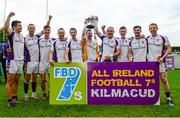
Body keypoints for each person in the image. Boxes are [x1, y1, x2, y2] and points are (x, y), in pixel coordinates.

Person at [24, 15, 52, 102]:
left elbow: (46, 29)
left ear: (35, 29)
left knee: (35, 78)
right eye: (30, 28)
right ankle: (25, 95)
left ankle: (34, 94)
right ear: (28, 29)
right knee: (27, 79)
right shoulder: (25, 38)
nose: (32, 29)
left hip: (37, 62)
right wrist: (9, 50)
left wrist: (49, 20)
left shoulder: (37, 37)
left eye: (33, 28)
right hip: (29, 62)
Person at [147, 23, 174, 107]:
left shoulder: (163, 37)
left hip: (160, 62)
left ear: (157, 28)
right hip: (150, 64)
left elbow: (169, 48)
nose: (152, 29)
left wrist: (163, 57)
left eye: (154, 28)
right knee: (150, 82)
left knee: (164, 80)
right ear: (149, 29)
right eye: (151, 28)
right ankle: (152, 98)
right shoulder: (147, 38)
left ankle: (169, 98)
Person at [4, 12, 24, 107]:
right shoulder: (12, 34)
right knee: (10, 81)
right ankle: (9, 100)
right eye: (19, 25)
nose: (21, 27)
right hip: (12, 61)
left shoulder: (22, 36)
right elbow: (6, 28)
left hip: (20, 61)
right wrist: (9, 16)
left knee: (16, 81)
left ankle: (14, 97)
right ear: (14, 27)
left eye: (21, 25)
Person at [39, 25, 55, 99]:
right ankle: (43, 93)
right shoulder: (39, 40)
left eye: (48, 30)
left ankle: (51, 92)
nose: (47, 31)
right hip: (42, 63)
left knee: (51, 79)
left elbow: (62, 40)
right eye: (45, 30)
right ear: (44, 31)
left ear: (50, 31)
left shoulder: (53, 40)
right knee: (43, 79)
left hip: (50, 63)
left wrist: (65, 38)